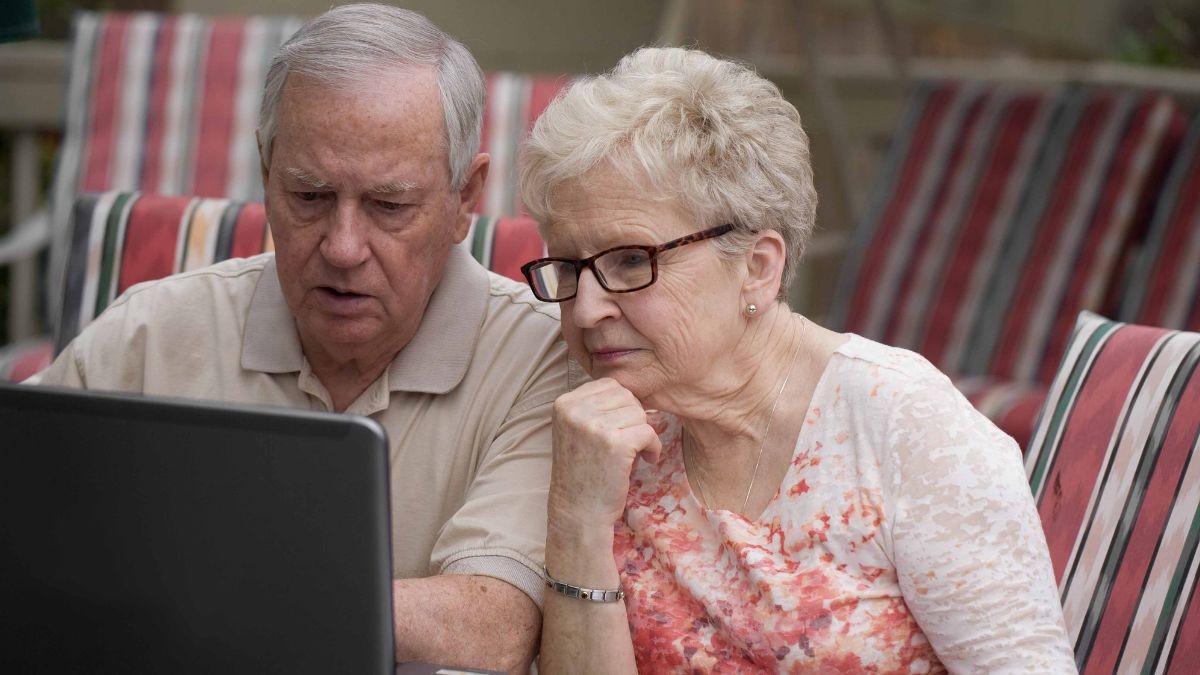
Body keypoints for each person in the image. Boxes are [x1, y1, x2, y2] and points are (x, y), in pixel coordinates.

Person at [29, 4, 566, 672]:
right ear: (265, 167)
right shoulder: (153, 329)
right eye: (309, 195)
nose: (342, 248)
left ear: (465, 197)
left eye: (389, 205)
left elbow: (495, 623)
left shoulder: (543, 358)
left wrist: (189, 596)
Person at [520, 47, 1077, 672]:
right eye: (568, 266)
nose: (587, 308)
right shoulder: (598, 429)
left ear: (757, 267)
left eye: (629, 261)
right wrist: (577, 520)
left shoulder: (903, 426)